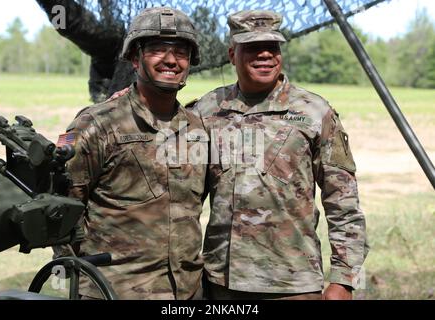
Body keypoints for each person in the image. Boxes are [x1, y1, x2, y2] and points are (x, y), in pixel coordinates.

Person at [187, 10, 369, 300]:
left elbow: (343, 200)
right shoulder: (206, 111)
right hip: (221, 282)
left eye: (272, 48)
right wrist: (130, 96)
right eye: (252, 48)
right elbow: (179, 189)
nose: (265, 55)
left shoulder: (314, 112)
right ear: (233, 54)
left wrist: (344, 279)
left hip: (292, 283)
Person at [58, 7, 208, 300]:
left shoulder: (196, 127)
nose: (170, 60)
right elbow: (63, 209)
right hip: (114, 291)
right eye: (157, 49)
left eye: (180, 51)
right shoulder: (95, 124)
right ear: (134, 59)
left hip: (187, 292)